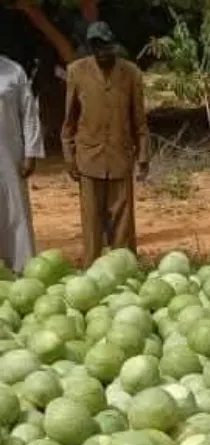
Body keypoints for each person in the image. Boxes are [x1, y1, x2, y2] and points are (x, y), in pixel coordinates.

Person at [61, 21, 150, 269]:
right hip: (88, 158)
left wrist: (143, 156)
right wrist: (69, 157)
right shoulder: (76, 71)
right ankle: (92, 270)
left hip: (120, 156)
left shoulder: (131, 73)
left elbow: (139, 120)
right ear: (91, 47)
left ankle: (124, 270)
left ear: (114, 45)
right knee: (92, 223)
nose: (102, 51)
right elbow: (69, 120)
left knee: (123, 223)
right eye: (96, 46)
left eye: (106, 46)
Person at [0, 54, 45, 273]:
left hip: (10, 155)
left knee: (14, 210)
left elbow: (29, 113)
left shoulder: (14, 71)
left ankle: (20, 268)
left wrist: (31, 153)